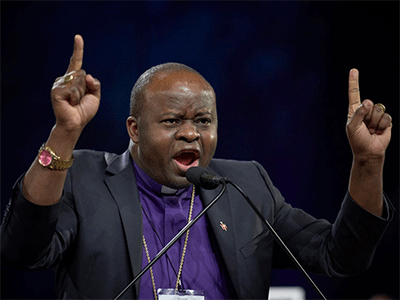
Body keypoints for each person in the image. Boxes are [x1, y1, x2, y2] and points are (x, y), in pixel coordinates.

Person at [1, 35, 394, 299]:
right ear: (134, 130)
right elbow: (23, 250)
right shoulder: (85, 178)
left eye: (203, 121)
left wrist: (368, 161)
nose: (191, 134)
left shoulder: (245, 185)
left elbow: (340, 256)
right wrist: (65, 133)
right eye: (172, 121)